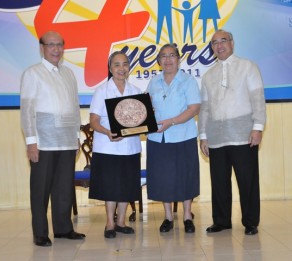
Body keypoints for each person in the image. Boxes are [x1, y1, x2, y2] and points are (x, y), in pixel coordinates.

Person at [20, 31, 85, 247]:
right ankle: (40, 233)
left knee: (64, 187)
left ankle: (63, 229)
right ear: (42, 48)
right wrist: (31, 141)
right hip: (44, 141)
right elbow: (27, 110)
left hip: (67, 139)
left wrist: (77, 136)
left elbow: (75, 107)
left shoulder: (68, 73)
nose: (56, 49)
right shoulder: (33, 73)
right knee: (40, 188)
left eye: (59, 44)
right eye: (51, 45)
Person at [198, 29, 266, 235]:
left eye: (223, 41)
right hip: (216, 136)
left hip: (243, 133)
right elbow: (205, 108)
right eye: (214, 43)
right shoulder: (208, 75)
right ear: (212, 48)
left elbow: (257, 99)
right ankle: (221, 221)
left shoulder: (248, 67)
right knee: (219, 181)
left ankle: (250, 221)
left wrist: (258, 127)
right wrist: (203, 135)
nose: (219, 46)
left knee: (247, 180)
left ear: (232, 43)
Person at [146, 43, 201, 233]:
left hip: (183, 135)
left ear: (178, 59)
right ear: (159, 61)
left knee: (186, 176)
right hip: (157, 138)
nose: (168, 59)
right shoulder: (153, 82)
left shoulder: (188, 81)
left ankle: (187, 216)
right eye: (164, 56)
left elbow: (194, 108)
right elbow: (146, 108)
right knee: (163, 178)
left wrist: (172, 121)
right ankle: (168, 217)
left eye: (172, 56)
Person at [89, 51, 142, 239]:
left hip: (131, 147)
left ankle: (121, 222)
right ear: (110, 69)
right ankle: (110, 223)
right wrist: (107, 132)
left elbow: (140, 120)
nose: (122, 68)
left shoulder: (136, 91)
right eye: (117, 65)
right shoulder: (102, 91)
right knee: (111, 186)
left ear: (129, 67)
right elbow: (94, 120)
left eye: (125, 64)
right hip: (107, 147)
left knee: (127, 185)